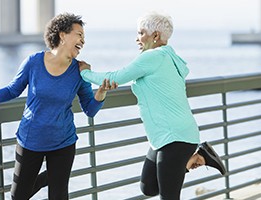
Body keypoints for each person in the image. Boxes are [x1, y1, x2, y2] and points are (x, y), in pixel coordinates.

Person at [0, 13, 117, 200]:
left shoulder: (80, 72)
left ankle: (51, 177)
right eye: (79, 34)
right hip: (30, 140)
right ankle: (45, 179)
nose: (83, 40)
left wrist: (101, 93)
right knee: (18, 196)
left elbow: (90, 109)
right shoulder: (34, 62)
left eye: (84, 37)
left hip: (63, 142)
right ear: (62, 35)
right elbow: (12, 90)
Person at [77, 12, 226, 199]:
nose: (137, 38)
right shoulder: (168, 56)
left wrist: (85, 73)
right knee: (148, 187)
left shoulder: (152, 58)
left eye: (140, 33)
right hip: (163, 136)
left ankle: (190, 159)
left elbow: (114, 78)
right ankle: (197, 157)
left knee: (168, 196)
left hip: (175, 137)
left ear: (155, 36)